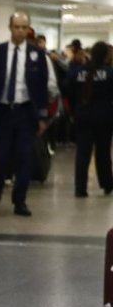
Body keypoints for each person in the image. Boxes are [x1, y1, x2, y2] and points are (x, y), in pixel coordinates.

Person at [0, 11, 59, 216]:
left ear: (28, 29)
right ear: (10, 27)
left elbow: (42, 87)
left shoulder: (37, 55)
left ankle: (20, 200)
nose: (20, 31)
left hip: (26, 112)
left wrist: (43, 117)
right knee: (0, 156)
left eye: (24, 27)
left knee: (25, 157)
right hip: (2, 112)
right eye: (17, 27)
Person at [69, 41, 113, 197]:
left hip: (83, 116)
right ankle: (107, 183)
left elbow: (67, 90)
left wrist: (74, 110)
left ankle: (80, 188)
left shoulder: (78, 72)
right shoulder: (109, 73)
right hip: (104, 117)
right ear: (105, 56)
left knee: (82, 153)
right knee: (103, 152)